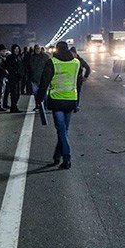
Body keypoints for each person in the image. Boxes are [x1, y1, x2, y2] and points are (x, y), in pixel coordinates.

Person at [38, 40, 89, 170]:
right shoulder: (76, 63)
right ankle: (56, 156)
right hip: (71, 100)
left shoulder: (52, 62)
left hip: (56, 100)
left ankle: (67, 158)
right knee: (64, 131)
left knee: (61, 131)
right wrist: (77, 101)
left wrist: (39, 99)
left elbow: (44, 82)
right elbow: (78, 84)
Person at [5, 43, 24, 112]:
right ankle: (13, 107)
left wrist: (21, 73)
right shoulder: (10, 57)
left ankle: (14, 105)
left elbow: (22, 66)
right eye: (15, 49)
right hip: (12, 77)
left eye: (18, 49)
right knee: (13, 93)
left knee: (18, 93)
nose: (17, 50)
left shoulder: (19, 57)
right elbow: (7, 66)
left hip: (19, 77)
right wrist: (14, 71)